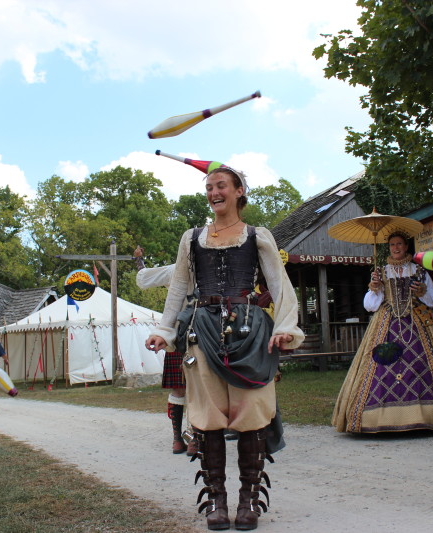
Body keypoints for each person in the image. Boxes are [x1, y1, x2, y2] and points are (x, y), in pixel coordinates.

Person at [145, 166, 304, 531]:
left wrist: (284, 327)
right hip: (202, 328)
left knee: (251, 414)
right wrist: (164, 330)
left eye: (221, 186)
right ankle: (217, 499)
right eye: (209, 187)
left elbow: (280, 285)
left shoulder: (256, 236)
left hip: (249, 330)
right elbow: (178, 287)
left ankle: (249, 499)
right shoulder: (192, 238)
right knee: (207, 415)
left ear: (238, 191)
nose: (214, 192)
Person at [331, 232, 433, 434]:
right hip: (385, 325)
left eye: (399, 244)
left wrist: (422, 291)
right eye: (392, 245)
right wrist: (375, 288)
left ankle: (429, 415)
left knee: (421, 364)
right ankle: (377, 417)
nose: (395, 248)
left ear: (406, 247)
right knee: (382, 367)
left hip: (418, 323)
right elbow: (370, 306)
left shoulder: (419, 271)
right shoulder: (380, 272)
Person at [133, 251, 198, 456]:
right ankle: (192, 439)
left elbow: (144, 277)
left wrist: (138, 261)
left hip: (176, 333)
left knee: (180, 390)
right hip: (199, 333)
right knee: (200, 389)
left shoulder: (173, 269)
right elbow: (144, 278)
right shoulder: (193, 269)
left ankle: (179, 440)